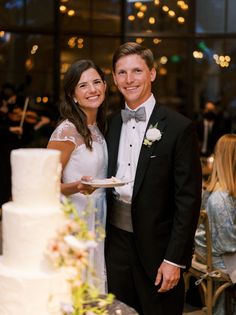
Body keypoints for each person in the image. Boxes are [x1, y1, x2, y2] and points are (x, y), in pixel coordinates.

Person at [105, 42, 202, 315]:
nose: (129, 79)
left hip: (159, 252)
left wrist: (175, 259)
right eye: (122, 73)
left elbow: (188, 200)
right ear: (114, 78)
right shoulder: (111, 123)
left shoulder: (179, 127)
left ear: (152, 74)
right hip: (116, 247)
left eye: (137, 71)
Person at [47, 59, 108, 293]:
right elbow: (44, 184)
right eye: (83, 85)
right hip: (76, 220)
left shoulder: (98, 126)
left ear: (104, 86)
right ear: (73, 95)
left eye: (96, 82)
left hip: (98, 219)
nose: (92, 90)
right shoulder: (67, 131)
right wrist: (77, 186)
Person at [195, 134, 236, 315]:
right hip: (219, 254)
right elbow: (227, 243)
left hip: (222, 248)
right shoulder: (220, 199)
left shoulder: (225, 190)